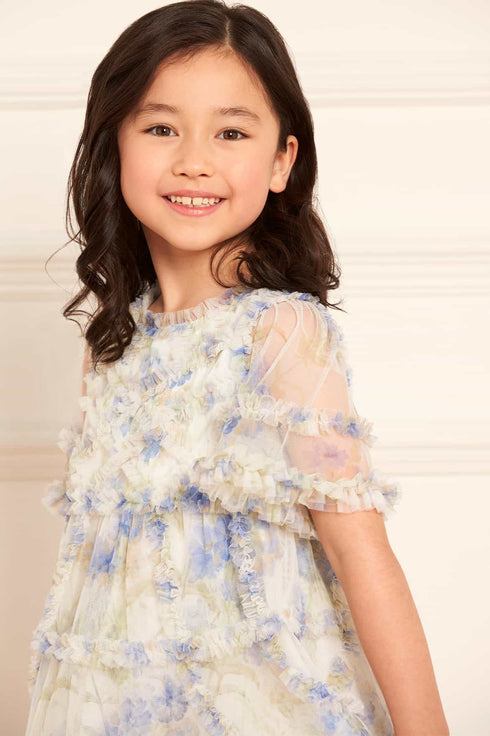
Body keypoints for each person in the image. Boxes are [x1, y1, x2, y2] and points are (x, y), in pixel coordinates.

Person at [25, 1, 450, 734]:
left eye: (231, 132)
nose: (194, 160)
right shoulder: (112, 343)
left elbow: (360, 550)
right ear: (114, 146)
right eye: (161, 128)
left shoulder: (278, 332)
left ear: (282, 160)